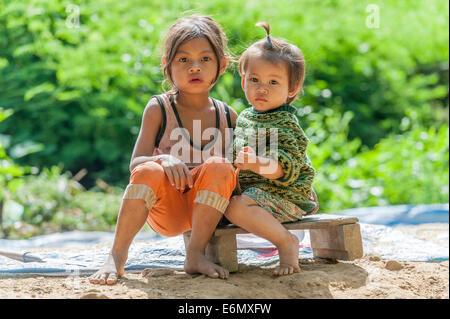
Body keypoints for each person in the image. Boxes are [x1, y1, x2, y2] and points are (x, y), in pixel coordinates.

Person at [89, 14, 238, 285]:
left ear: (222, 65)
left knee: (221, 166)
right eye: (183, 59)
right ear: (167, 66)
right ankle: (117, 256)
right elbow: (135, 164)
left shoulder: (228, 116)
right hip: (167, 210)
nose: (195, 67)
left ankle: (195, 254)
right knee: (148, 168)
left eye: (205, 59)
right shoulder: (159, 108)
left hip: (209, 213)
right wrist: (163, 159)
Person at [224, 22, 318, 276]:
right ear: (243, 81)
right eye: (254, 79)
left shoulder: (285, 122)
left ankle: (286, 243)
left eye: (273, 82)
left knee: (235, 207)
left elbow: (282, 167)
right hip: (258, 192)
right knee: (219, 200)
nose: (261, 88)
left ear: (292, 89)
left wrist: (256, 163)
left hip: (286, 194)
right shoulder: (245, 116)